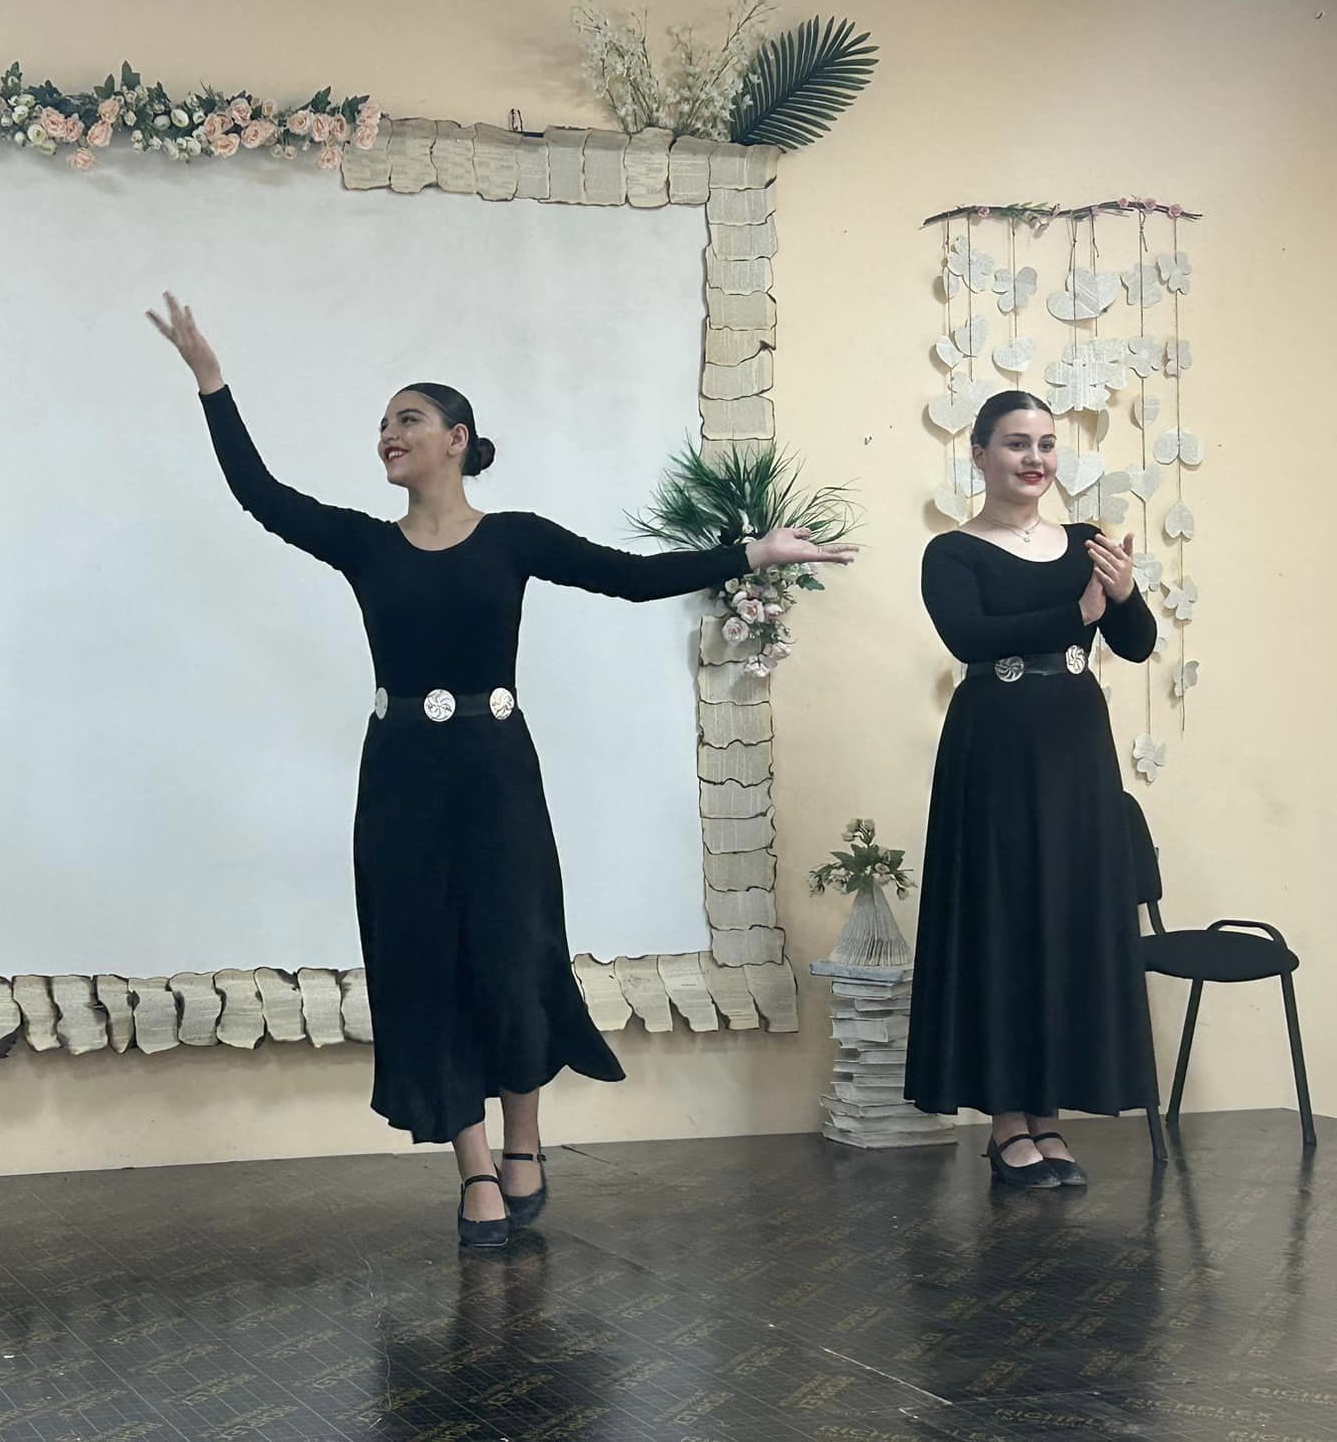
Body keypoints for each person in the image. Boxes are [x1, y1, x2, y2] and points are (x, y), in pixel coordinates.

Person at [148, 293, 854, 1247]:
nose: (388, 434)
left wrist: (750, 552)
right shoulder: (364, 545)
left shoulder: (514, 537)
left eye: (407, 418)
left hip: (496, 773)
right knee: (426, 962)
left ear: (456, 439)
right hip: (400, 778)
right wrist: (211, 382)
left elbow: (629, 576)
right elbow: (260, 494)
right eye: (382, 423)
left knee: (513, 951)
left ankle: (526, 1140)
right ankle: (474, 1166)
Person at [906, 389, 1157, 1188]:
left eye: (1046, 444)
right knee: (1005, 918)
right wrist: (1075, 611)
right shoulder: (952, 553)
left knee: (1065, 916)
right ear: (980, 454)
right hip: (996, 749)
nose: (1035, 458)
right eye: (1017, 443)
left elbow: (1137, 644)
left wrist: (1122, 596)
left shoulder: (1086, 543)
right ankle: (1006, 1122)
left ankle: (1048, 1118)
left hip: (1077, 749)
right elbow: (969, 637)